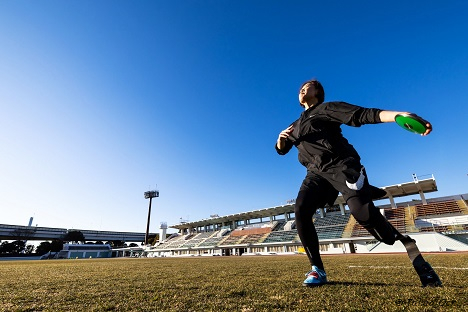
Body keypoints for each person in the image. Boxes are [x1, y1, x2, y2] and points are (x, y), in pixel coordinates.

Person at [276, 79, 442, 287]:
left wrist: (398, 115)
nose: (302, 88)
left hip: (342, 166)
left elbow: (362, 114)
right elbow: (282, 150)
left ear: (318, 92)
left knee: (364, 216)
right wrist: (281, 141)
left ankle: (408, 245)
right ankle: (317, 269)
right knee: (300, 208)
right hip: (316, 174)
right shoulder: (295, 125)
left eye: (308, 86)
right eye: (300, 87)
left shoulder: (327, 108)